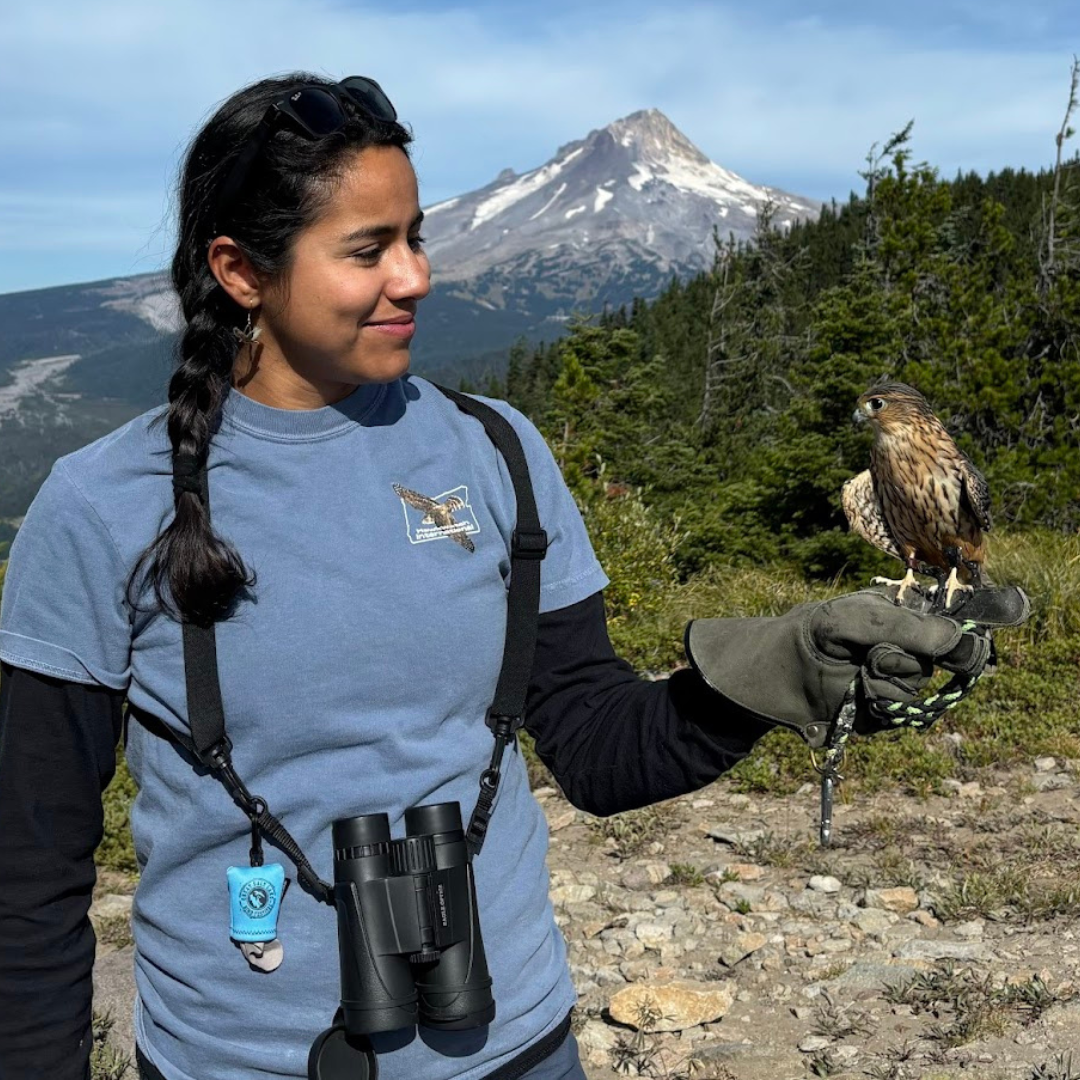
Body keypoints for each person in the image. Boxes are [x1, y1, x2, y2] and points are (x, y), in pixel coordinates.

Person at [0, 73, 987, 1080]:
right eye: (367, 250)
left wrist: (772, 672)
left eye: (416, 236)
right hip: (232, 1060)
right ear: (240, 271)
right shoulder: (103, 506)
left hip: (517, 1044)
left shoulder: (498, 453)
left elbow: (594, 745)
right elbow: (28, 868)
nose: (416, 276)